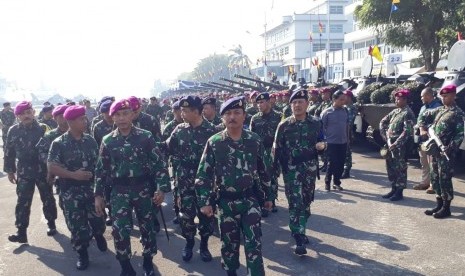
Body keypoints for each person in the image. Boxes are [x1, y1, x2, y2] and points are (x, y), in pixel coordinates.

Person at [196, 96, 273, 276]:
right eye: (228, 113)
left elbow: (265, 170)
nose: (232, 117)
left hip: (250, 200)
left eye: (237, 113)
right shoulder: (214, 142)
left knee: (254, 244)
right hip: (225, 203)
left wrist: (269, 195)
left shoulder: (254, 140)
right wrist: (205, 201)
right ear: (223, 118)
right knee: (229, 245)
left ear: (244, 116)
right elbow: (203, 174)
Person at [94, 99, 170, 276]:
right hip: (119, 191)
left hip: (143, 188)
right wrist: (98, 195)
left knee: (147, 227)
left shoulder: (145, 137)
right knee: (120, 230)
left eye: (125, 113)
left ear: (132, 114)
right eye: (117, 115)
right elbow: (101, 170)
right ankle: (126, 266)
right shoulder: (107, 141)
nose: (122, 118)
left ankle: (148, 261)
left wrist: (161, 188)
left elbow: (159, 164)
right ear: (112, 117)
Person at [47, 105, 107, 270]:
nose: (85, 121)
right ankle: (82, 253)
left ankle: (98, 234)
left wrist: (101, 191)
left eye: (85, 118)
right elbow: (51, 166)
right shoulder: (59, 143)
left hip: (92, 190)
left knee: (99, 220)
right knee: (76, 226)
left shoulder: (90, 140)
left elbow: (99, 165)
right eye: (81, 119)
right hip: (70, 192)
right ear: (70, 122)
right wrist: (74, 175)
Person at [165, 96, 217, 262]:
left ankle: (204, 245)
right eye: (181, 110)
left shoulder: (212, 131)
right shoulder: (179, 130)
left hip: (205, 183)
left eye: (186, 111)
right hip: (184, 182)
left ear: (196, 111)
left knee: (206, 217)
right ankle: (189, 243)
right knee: (185, 217)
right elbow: (166, 148)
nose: (182, 113)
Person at [273, 89, 324, 255]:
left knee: (307, 202)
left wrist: (323, 146)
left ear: (307, 104)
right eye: (294, 102)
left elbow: (323, 141)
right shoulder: (284, 125)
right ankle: (299, 236)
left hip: (309, 170)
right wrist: (274, 170)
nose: (297, 105)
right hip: (291, 171)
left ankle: (301, 227)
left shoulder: (316, 123)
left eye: (300, 102)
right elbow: (277, 148)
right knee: (296, 203)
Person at [4, 101, 58, 243]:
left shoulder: (43, 128)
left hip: (42, 169)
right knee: (22, 201)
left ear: (33, 112)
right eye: (22, 114)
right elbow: (8, 152)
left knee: (47, 197)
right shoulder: (13, 130)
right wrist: (10, 171)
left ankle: (51, 224)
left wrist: (52, 170)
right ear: (18, 116)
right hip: (24, 171)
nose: (26, 116)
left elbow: (52, 150)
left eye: (28, 112)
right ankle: (21, 232)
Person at [418, 84, 464, 218]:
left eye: (446, 96)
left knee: (445, 179)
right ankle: (438, 204)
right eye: (442, 97)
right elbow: (422, 116)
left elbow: (460, 134)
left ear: (454, 96)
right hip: (435, 151)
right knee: (435, 177)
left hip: (446, 152)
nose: (443, 99)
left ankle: (446, 207)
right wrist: (422, 128)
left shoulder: (457, 113)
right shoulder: (440, 110)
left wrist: (449, 149)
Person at [379, 89, 415, 201]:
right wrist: (385, 136)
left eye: (399, 99)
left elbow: (407, 131)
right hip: (390, 144)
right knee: (391, 168)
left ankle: (399, 191)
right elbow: (382, 122)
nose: (396, 100)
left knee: (400, 169)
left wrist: (396, 143)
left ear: (405, 100)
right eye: (396, 98)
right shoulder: (396, 112)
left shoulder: (407, 113)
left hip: (400, 147)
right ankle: (393, 188)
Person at [250, 92, 282, 216]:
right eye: (257, 103)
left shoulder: (279, 116)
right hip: (259, 151)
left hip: (273, 150)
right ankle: (262, 201)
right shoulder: (255, 118)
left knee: (272, 175)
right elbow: (251, 137)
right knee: (259, 177)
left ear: (269, 102)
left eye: (262, 102)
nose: (259, 105)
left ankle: (272, 200)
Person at [36, 104, 70, 210]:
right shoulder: (50, 136)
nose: (64, 119)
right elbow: (41, 152)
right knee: (66, 206)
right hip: (61, 177)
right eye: (61, 116)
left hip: (82, 176)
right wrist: (53, 166)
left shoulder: (79, 132)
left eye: (66, 116)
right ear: (55, 118)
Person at [413, 87, 442, 192]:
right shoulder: (423, 108)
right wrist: (420, 128)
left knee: (432, 163)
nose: (421, 98)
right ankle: (425, 182)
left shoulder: (438, 107)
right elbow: (420, 120)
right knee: (424, 162)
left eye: (423, 96)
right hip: (422, 139)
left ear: (429, 95)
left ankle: (433, 185)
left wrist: (425, 129)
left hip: (431, 139)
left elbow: (437, 123)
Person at [321, 90, 349, 191]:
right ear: (334, 99)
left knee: (341, 163)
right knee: (331, 163)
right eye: (341, 100)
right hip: (331, 142)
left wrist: (348, 139)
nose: (343, 102)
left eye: (344, 100)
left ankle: (336, 182)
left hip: (343, 142)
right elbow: (321, 128)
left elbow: (346, 126)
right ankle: (327, 182)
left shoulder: (345, 111)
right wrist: (323, 141)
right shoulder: (326, 112)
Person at [162, 100, 183, 224]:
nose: (181, 114)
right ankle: (178, 212)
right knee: (177, 188)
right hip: (176, 163)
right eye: (178, 111)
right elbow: (164, 146)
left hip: (192, 164)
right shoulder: (170, 127)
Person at [341, 89, 357, 179]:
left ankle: (347, 170)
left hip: (347, 132)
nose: (343, 98)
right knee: (343, 151)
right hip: (342, 132)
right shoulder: (345, 108)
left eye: (345, 97)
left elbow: (349, 122)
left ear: (349, 98)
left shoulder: (351, 108)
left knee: (347, 152)